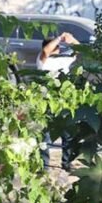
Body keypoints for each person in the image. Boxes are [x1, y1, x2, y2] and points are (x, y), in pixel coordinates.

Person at [37, 31, 79, 169]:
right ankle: (45, 166)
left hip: (63, 100)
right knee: (46, 136)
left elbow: (79, 49)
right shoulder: (42, 60)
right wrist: (59, 38)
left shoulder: (64, 59)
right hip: (47, 101)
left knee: (67, 135)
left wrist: (70, 38)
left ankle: (66, 163)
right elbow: (45, 51)